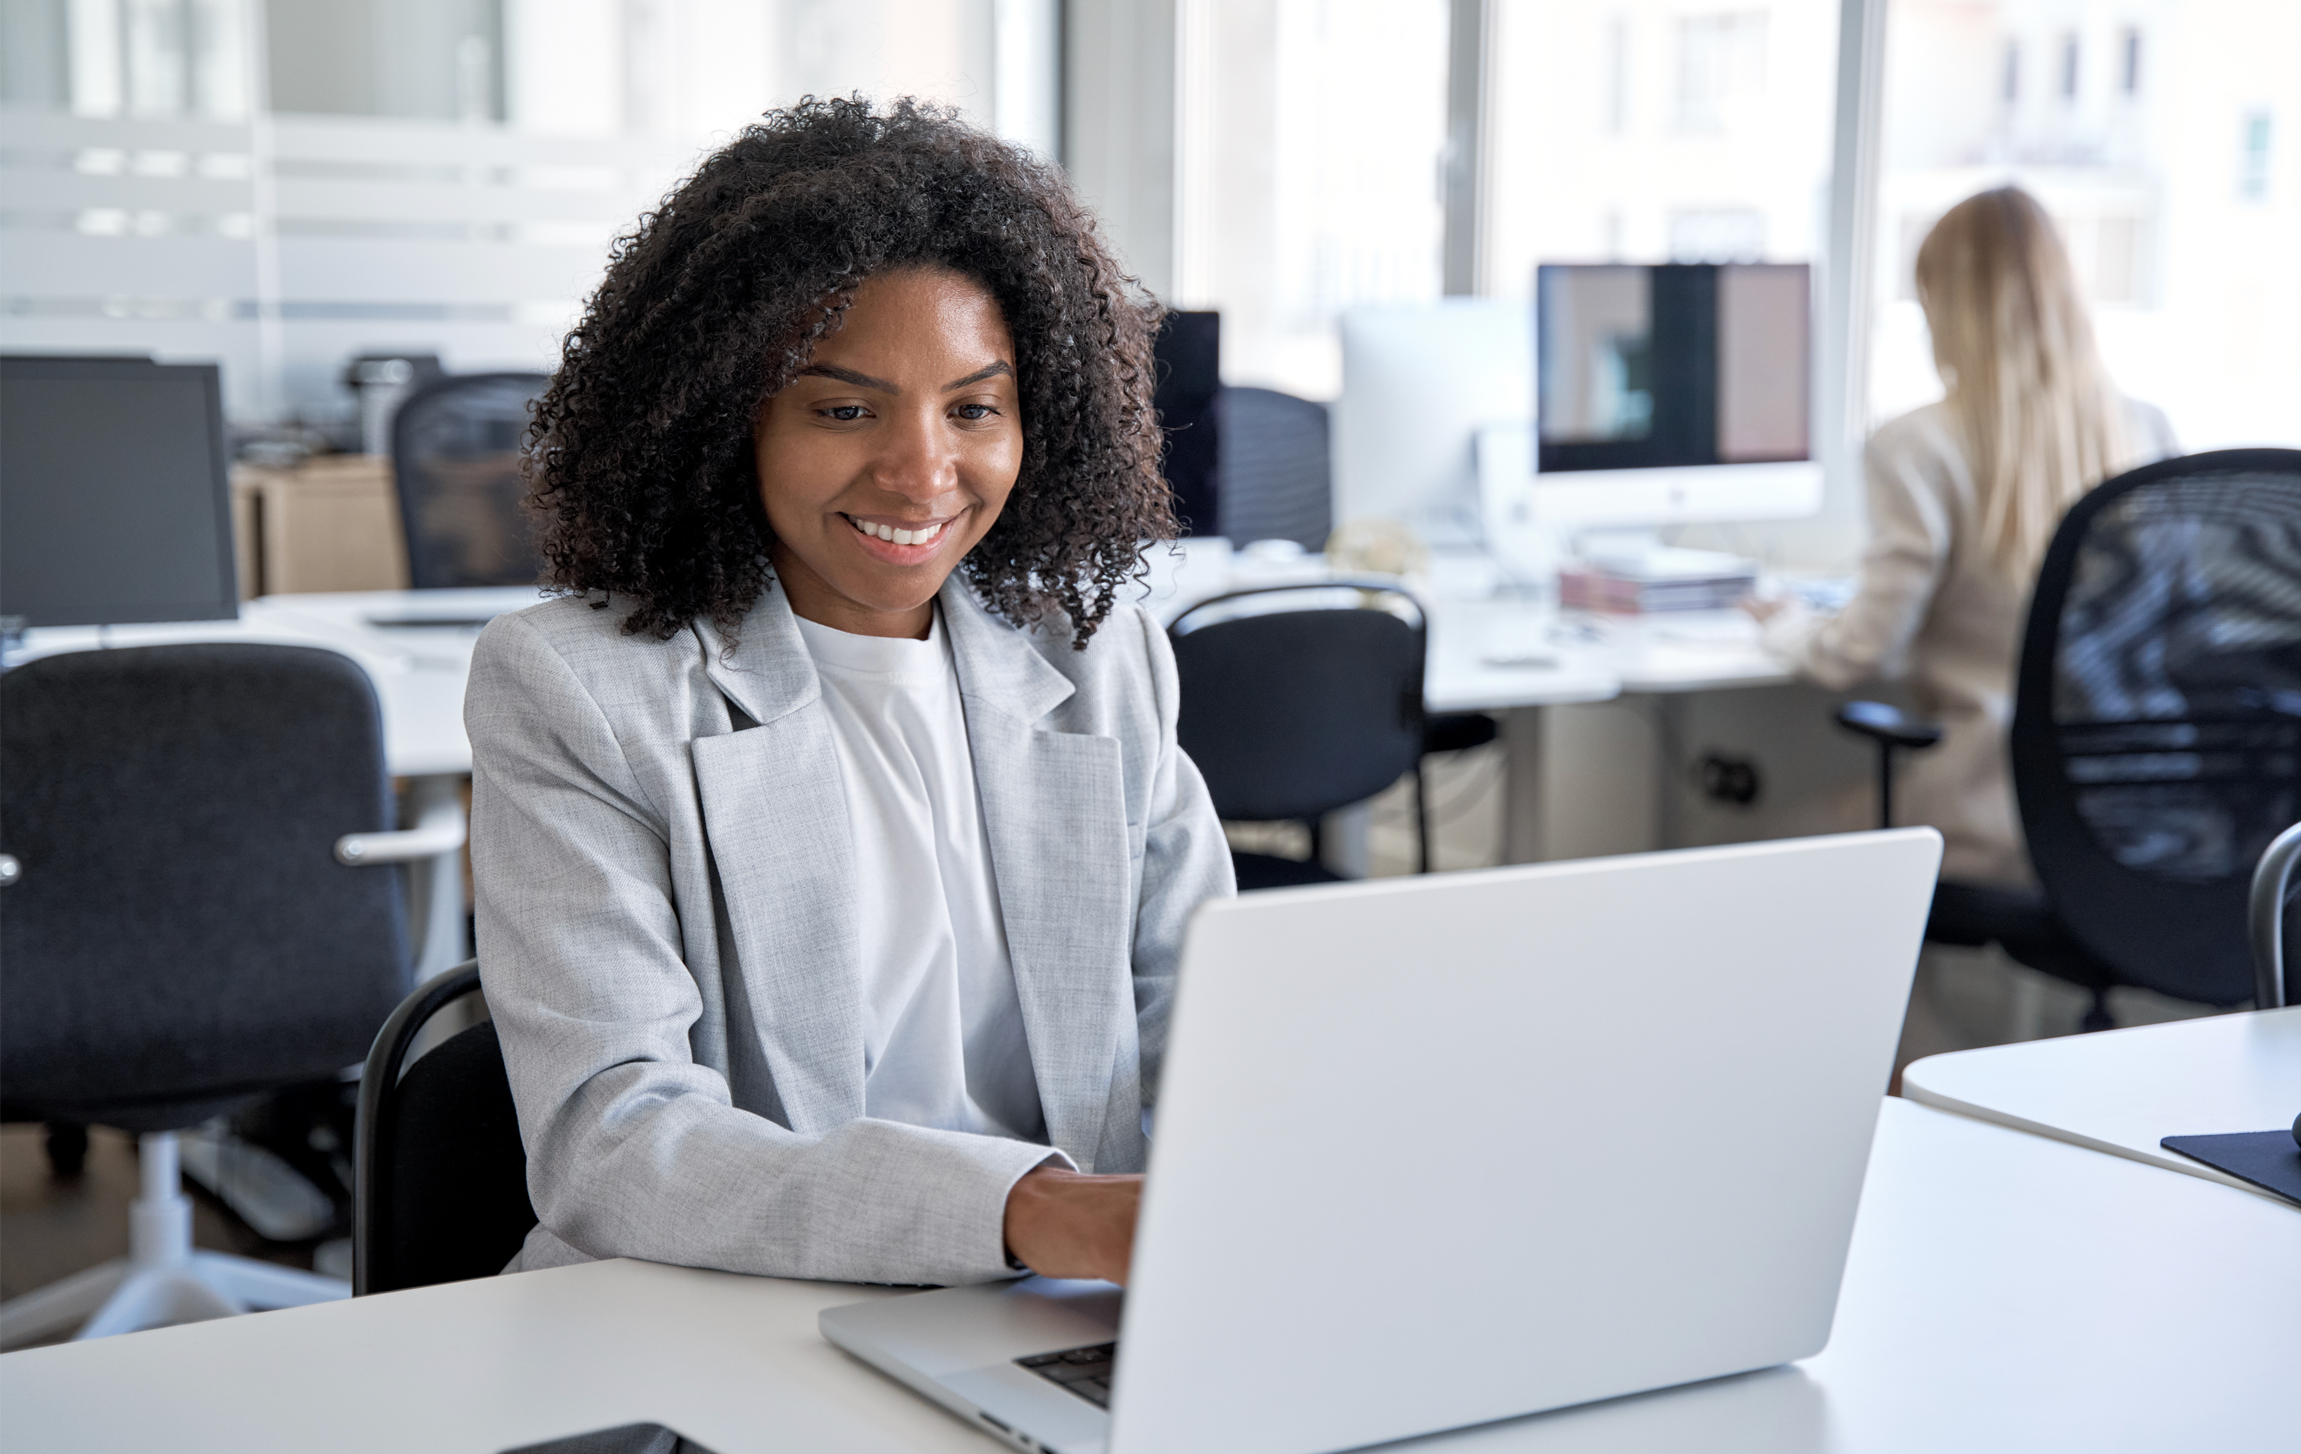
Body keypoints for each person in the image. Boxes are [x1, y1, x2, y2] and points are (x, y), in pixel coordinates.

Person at [465, 98, 1235, 1289]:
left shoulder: (1102, 662)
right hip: (723, 1311)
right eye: (844, 408)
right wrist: (1026, 1210)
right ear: (730, 420)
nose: (924, 470)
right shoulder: (578, 689)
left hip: (1065, 1315)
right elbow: (612, 1141)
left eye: (975, 407)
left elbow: (1215, 1032)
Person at [1749, 185, 2176, 886]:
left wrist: (1788, 625)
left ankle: (1903, 1004)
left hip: (1989, 812)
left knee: (1751, 850)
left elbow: (1862, 650)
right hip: (2141, 820)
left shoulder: (1918, 445)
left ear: (1946, 308)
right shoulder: (2145, 431)